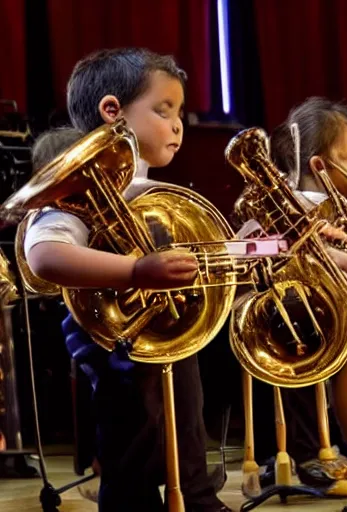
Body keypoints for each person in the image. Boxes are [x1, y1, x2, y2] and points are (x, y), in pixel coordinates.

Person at [24, 48, 232, 512]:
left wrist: (245, 248)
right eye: (164, 110)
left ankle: (198, 499)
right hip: (112, 337)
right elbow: (45, 256)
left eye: (179, 112)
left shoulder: (152, 190)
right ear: (112, 112)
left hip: (168, 330)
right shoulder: (81, 185)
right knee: (133, 429)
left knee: (187, 417)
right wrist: (136, 270)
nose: (178, 125)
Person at [237, 97, 347, 490]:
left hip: (324, 305)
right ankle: (306, 453)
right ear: (315, 160)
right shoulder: (278, 198)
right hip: (280, 309)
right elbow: (257, 243)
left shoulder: (340, 210)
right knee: (302, 331)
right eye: (345, 160)